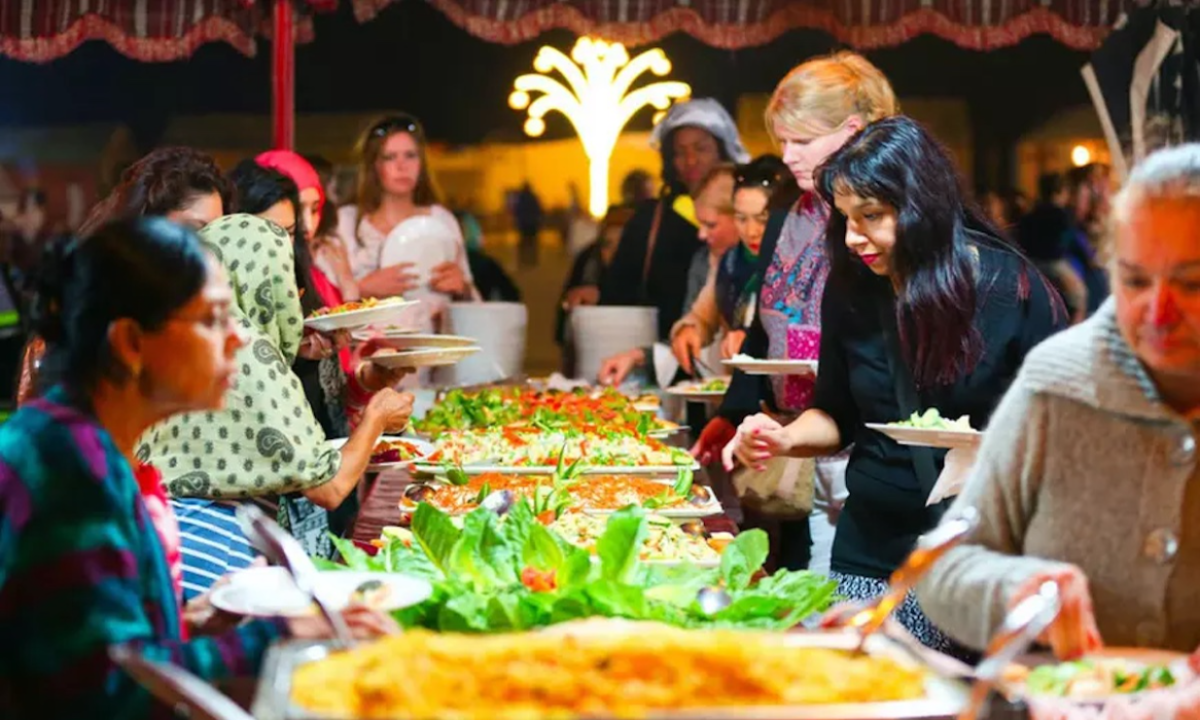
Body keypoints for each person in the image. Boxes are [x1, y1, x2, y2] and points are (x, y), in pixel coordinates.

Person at [0, 217, 395, 718]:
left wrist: (194, 620)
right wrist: (278, 633)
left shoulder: (90, 445)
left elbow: (95, 641)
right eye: (212, 320)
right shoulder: (68, 468)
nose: (237, 340)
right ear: (131, 343)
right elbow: (112, 685)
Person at [723, 116, 1066, 651]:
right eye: (845, 218)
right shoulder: (852, 289)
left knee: (949, 691)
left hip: (975, 553)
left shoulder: (1011, 289)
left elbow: (1060, 430)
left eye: (872, 216)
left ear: (923, 207)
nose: (852, 237)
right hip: (869, 547)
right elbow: (836, 413)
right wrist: (784, 436)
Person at [918, 144, 1200, 657]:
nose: (1158, 312)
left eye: (1191, 284)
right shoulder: (1059, 382)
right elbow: (944, 569)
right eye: (1135, 281)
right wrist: (1014, 591)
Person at [695, 51, 900, 575]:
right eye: (783, 141)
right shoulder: (793, 210)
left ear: (852, 132)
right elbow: (764, 328)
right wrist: (732, 412)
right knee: (814, 585)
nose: (786, 156)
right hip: (804, 436)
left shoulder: (880, 217)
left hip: (864, 439)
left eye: (801, 141)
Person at [138, 215, 414, 599]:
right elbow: (329, 487)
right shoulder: (246, 349)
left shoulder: (179, 334)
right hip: (212, 553)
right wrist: (378, 415)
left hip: (157, 544)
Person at [16, 147, 232, 406]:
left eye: (219, 236)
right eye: (192, 231)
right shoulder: (85, 321)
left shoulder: (208, 326)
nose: (208, 248)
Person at [599, 98, 750, 341]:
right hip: (661, 353)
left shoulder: (755, 216)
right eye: (680, 152)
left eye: (701, 148)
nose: (690, 160)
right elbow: (617, 293)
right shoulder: (650, 219)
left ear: (723, 150)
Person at [335, 114, 477, 340]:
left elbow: (474, 306)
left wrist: (462, 289)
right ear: (374, 165)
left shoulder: (442, 220)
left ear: (422, 163)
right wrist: (361, 289)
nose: (402, 166)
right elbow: (320, 304)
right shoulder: (346, 222)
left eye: (410, 155)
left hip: (432, 353)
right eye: (390, 157)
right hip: (364, 354)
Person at [597, 165, 741, 385]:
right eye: (699, 224)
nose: (701, 235)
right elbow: (694, 333)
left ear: (741, 219)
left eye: (710, 225)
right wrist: (639, 356)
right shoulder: (708, 262)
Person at [670, 156, 796, 371]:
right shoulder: (730, 261)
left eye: (763, 219)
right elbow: (703, 315)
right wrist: (690, 329)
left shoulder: (801, 263)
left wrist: (755, 340)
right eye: (741, 218)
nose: (751, 231)